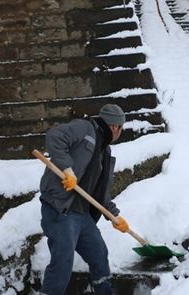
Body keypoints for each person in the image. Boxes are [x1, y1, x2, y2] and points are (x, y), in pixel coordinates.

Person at [39, 104, 130, 295]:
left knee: (99, 254)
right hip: (61, 209)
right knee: (63, 261)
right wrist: (67, 169)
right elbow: (55, 136)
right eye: (121, 128)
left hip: (82, 214)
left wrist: (115, 217)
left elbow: (99, 193)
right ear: (115, 127)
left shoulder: (105, 152)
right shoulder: (84, 128)